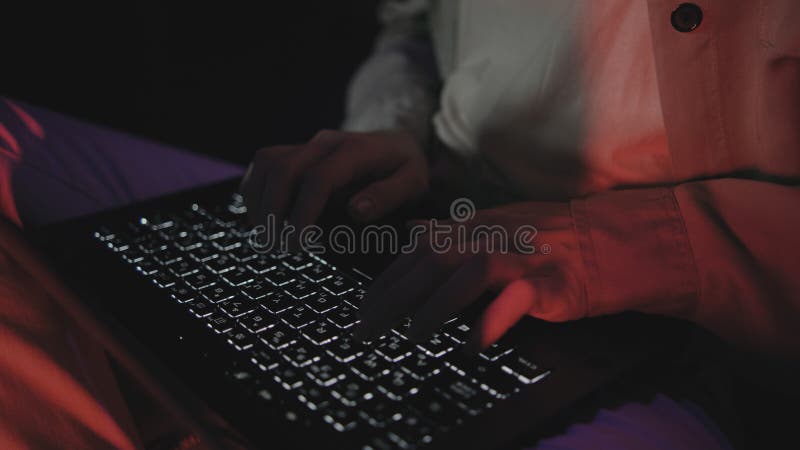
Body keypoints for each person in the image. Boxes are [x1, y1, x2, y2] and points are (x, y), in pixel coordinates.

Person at [0, 0, 797, 449]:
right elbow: (412, 29)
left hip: (670, 331)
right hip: (421, 219)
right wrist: (396, 132)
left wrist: (609, 247)